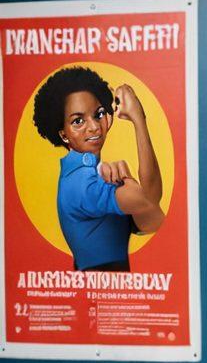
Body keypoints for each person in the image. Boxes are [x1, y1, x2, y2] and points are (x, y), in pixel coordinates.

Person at [31, 66, 164, 271]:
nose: (93, 126)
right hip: (97, 292)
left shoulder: (93, 173)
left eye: (99, 114)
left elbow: (152, 214)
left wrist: (139, 120)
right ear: (63, 134)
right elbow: (149, 206)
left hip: (115, 290)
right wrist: (127, 179)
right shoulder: (81, 182)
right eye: (78, 121)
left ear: (108, 118)